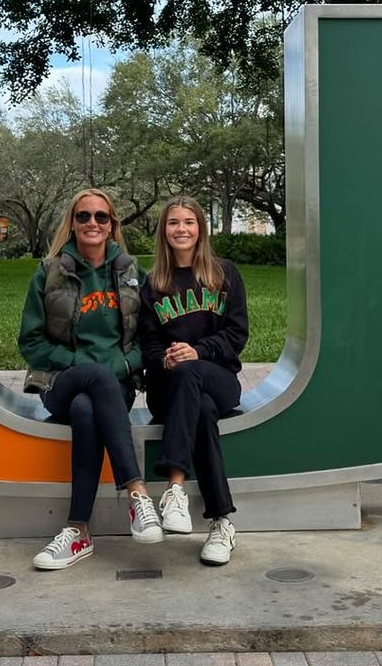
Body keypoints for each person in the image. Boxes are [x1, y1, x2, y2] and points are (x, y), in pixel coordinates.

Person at [19, 187, 163, 569]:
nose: (92, 223)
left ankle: (77, 532)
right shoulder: (50, 272)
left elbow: (148, 338)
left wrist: (120, 367)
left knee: (87, 410)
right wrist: (80, 362)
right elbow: (30, 341)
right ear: (73, 222)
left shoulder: (132, 272)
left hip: (113, 391)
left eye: (101, 217)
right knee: (87, 387)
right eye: (84, 216)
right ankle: (136, 493)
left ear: (113, 225)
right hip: (59, 382)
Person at [138, 196, 248, 566]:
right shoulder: (153, 283)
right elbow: (147, 344)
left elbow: (236, 334)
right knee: (200, 408)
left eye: (188, 222)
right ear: (163, 230)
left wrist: (197, 352)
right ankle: (221, 522)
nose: (181, 229)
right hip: (169, 387)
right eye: (173, 222)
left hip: (219, 378)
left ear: (201, 228)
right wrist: (165, 358)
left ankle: (175, 489)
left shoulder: (224, 273)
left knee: (194, 375)